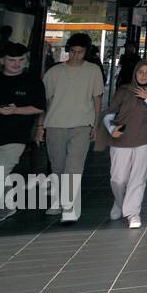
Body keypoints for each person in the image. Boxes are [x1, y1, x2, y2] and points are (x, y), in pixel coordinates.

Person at [0, 43, 45, 234]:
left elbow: (39, 107)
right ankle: (7, 206)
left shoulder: (32, 82)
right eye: (12, 60)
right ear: (2, 60)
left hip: (14, 139)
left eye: (21, 60)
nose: (17, 64)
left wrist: (16, 110)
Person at [40, 32, 105, 223]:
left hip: (81, 125)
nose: (76, 55)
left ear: (86, 52)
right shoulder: (54, 72)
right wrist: (40, 125)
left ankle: (70, 208)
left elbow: (97, 98)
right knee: (58, 167)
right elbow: (46, 100)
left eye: (80, 52)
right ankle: (58, 201)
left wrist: (95, 124)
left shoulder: (93, 70)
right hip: (55, 124)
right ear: (69, 50)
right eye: (73, 51)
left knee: (74, 167)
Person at [97, 58, 147, 229]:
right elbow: (109, 114)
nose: (144, 75)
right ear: (135, 73)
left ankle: (133, 213)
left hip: (144, 138)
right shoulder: (124, 91)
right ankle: (119, 202)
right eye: (141, 72)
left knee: (138, 178)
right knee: (118, 178)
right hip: (120, 138)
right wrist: (111, 129)